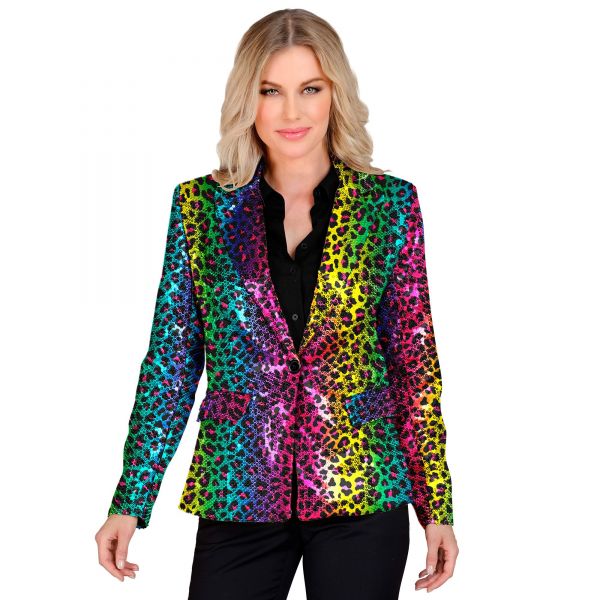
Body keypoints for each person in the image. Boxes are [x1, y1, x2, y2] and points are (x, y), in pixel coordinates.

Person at [95, 8, 459, 598]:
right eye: (271, 91)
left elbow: (413, 364)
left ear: (335, 95)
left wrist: (435, 506)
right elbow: (171, 362)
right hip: (239, 488)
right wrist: (130, 499)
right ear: (249, 99)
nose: (292, 112)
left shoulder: (389, 205)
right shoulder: (201, 209)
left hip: (362, 489)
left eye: (310, 89)